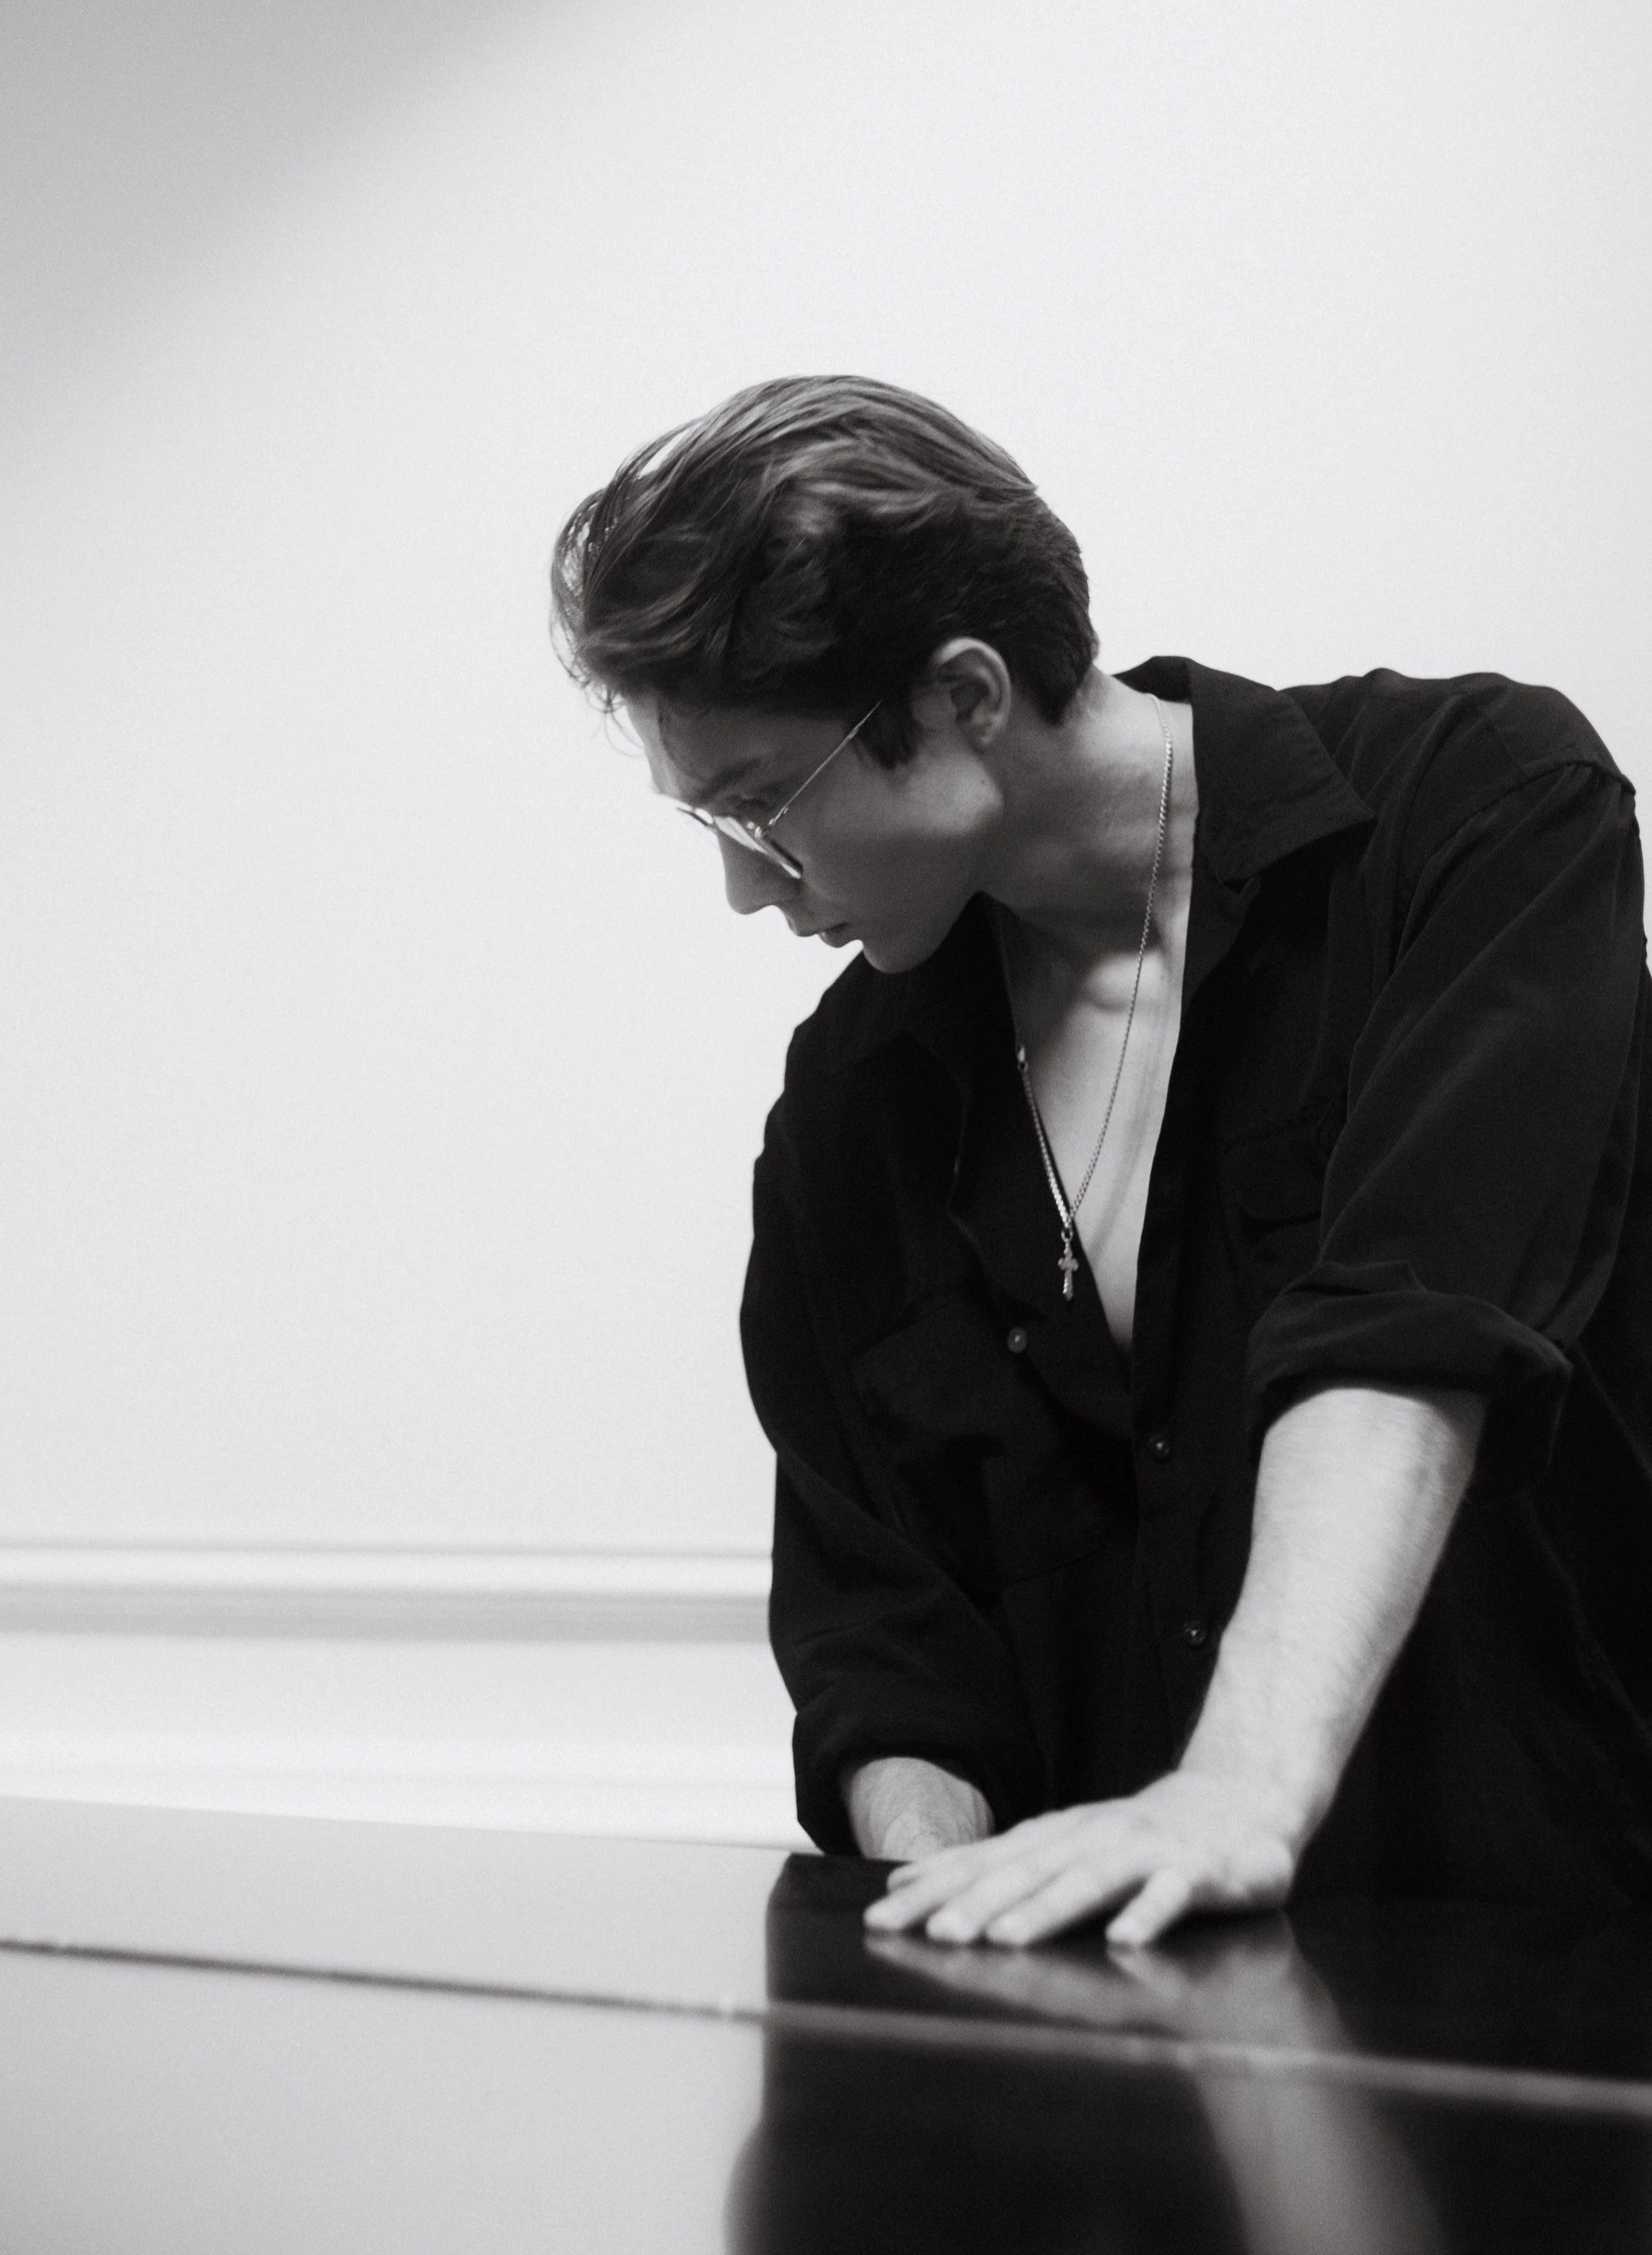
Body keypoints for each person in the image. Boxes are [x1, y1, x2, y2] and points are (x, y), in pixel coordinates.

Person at [550, 375, 1652, 1947]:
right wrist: (937, 1893)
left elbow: (1414, 1324)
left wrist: (1234, 1787)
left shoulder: (1475, 812)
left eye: (764, 810)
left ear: (960, 698)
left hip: (1563, 1968)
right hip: (1124, 2029)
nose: (745, 891)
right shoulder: (852, 1101)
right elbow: (883, 1629)